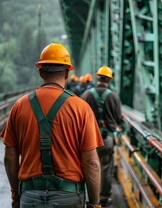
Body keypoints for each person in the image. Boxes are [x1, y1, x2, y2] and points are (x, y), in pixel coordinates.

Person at [0, 43, 104, 208]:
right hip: (69, 197)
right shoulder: (81, 108)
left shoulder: (19, 106)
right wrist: (94, 203)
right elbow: (91, 162)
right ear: (67, 73)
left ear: (41, 72)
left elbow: (9, 157)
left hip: (29, 196)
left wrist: (16, 194)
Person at [81, 66, 122, 207]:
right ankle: (104, 198)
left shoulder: (86, 95)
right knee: (106, 168)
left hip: (88, 139)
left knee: (88, 166)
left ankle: (90, 197)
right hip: (107, 138)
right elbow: (118, 119)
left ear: (97, 78)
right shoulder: (113, 96)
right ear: (109, 80)